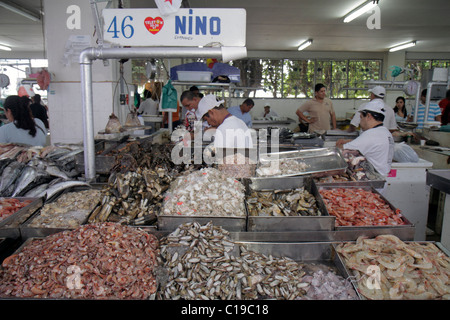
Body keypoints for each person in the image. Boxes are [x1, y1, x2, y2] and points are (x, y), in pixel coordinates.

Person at [338, 99, 394, 177]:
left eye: (361, 118)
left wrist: (338, 146)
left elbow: (340, 153)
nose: (360, 122)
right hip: (382, 177)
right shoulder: (385, 132)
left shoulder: (371, 135)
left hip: (371, 181)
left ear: (368, 116)